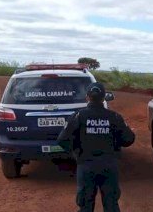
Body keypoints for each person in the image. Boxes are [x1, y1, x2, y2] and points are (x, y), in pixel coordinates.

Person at [57, 82, 135, 212]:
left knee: (85, 206)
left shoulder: (78, 116)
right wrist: (115, 143)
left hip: (86, 166)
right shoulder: (114, 117)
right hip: (109, 167)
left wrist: (75, 152)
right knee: (111, 205)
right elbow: (129, 139)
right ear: (104, 97)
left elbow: (62, 140)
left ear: (87, 97)